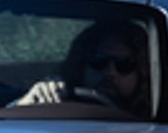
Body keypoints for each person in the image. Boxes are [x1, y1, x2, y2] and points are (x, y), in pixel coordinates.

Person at [15, 18, 152, 117]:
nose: (110, 72)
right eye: (99, 61)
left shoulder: (160, 120)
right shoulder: (57, 102)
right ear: (81, 64)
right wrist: (26, 105)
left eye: (124, 64)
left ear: (141, 72)